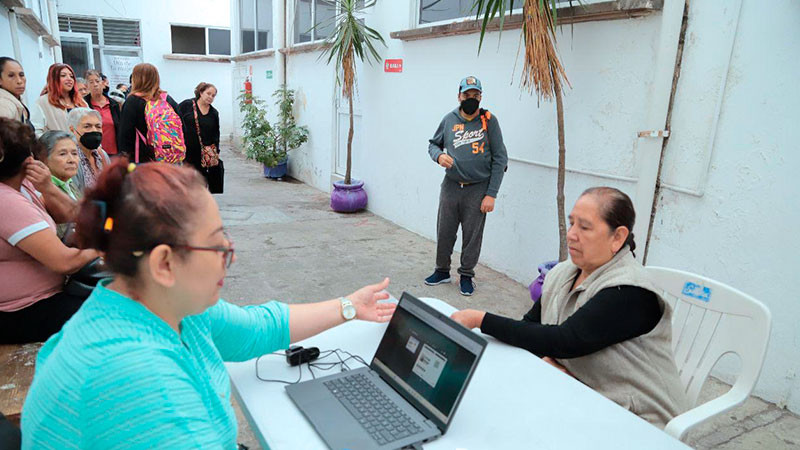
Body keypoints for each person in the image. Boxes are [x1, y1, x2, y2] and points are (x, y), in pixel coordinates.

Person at [21, 159, 396, 447]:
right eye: (216, 243)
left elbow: (257, 328)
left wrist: (350, 306)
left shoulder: (160, 304)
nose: (229, 253)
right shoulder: (140, 382)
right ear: (164, 264)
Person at [450, 187, 690, 428]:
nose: (572, 235)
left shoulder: (630, 292)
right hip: (584, 398)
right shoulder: (564, 273)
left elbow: (565, 340)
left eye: (584, 227)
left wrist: (480, 319)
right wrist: (547, 359)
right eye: (572, 223)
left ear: (617, 237)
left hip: (639, 421)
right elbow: (532, 327)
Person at [0, 118, 100, 344]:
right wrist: (105, 247)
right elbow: (64, 262)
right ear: (30, 160)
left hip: (41, 300)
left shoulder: (24, 186)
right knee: (115, 311)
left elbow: (71, 213)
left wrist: (47, 187)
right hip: (22, 311)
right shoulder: (6, 201)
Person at [424, 76, 508, 296]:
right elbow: (433, 144)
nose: (471, 98)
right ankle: (442, 271)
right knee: (445, 231)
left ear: (481, 97)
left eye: (475, 95)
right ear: (459, 96)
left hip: (478, 188)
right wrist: (439, 156)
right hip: (451, 186)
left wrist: (491, 194)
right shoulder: (449, 120)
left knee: (472, 236)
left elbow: (500, 158)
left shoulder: (489, 121)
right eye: (467, 94)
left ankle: (466, 275)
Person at [117, 63, 185, 163]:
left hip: (143, 160)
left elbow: (125, 135)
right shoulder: (167, 99)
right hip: (170, 159)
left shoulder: (133, 101)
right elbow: (183, 128)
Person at [37, 130, 81, 239]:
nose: (71, 160)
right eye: (63, 154)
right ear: (44, 159)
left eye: (74, 153)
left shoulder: (69, 183)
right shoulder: (42, 192)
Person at [30, 64, 87, 137]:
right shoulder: (42, 102)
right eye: (63, 75)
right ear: (53, 79)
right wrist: (53, 143)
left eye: (71, 76)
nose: (69, 79)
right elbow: (37, 132)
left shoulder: (80, 101)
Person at [178, 82, 220, 179]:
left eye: (213, 96)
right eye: (208, 93)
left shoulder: (214, 113)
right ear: (201, 93)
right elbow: (175, 119)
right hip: (187, 151)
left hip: (205, 153)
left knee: (203, 179)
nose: (210, 97)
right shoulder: (187, 105)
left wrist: (216, 151)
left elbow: (216, 133)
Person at [68, 108, 110, 192]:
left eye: (98, 126)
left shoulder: (102, 155)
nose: (94, 130)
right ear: (72, 130)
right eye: (87, 126)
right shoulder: (70, 159)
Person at [84, 70, 120, 156]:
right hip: (93, 153)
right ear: (87, 86)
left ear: (103, 84)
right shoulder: (84, 105)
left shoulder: (113, 104)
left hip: (114, 152)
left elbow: (120, 127)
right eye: (91, 82)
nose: (95, 84)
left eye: (97, 81)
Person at [0, 57, 31, 128]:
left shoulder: (16, 99)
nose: (19, 81)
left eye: (21, 75)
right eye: (11, 76)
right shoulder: (3, 105)